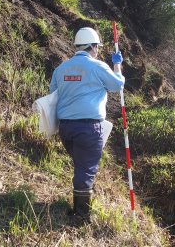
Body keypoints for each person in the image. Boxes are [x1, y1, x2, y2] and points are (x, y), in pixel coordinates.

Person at [49, 27, 125, 219]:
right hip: (89, 128)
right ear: (92, 46)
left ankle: (84, 194)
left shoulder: (61, 69)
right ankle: (81, 215)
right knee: (85, 169)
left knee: (82, 165)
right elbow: (117, 85)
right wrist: (117, 65)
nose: (98, 50)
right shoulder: (98, 66)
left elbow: (53, 95)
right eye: (97, 46)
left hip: (65, 127)